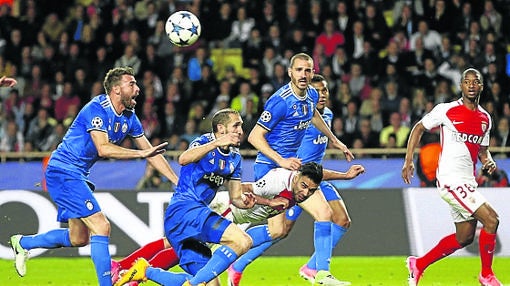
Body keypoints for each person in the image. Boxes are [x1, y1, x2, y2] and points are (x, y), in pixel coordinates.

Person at [9, 67, 179, 286]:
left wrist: (177, 181)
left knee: (78, 238)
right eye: (132, 84)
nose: (138, 89)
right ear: (117, 90)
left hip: (77, 174)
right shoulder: (96, 109)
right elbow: (103, 148)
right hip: (63, 170)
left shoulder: (130, 117)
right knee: (101, 226)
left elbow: (151, 153)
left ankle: (23, 243)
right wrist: (141, 153)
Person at [114, 161, 363, 286]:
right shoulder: (278, 181)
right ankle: (135, 272)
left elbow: (317, 175)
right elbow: (244, 189)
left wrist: (344, 175)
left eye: (311, 190)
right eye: (304, 187)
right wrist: (268, 201)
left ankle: (134, 271)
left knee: (182, 250)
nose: (306, 193)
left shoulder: (303, 184)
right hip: (228, 213)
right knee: (182, 252)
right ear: (296, 178)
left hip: (240, 222)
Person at [228, 74, 364, 286]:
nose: (321, 95)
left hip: (315, 178)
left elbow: (318, 136)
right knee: (279, 230)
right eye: (317, 91)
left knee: (340, 219)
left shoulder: (325, 115)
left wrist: (337, 142)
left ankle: (315, 269)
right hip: (295, 179)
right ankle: (236, 260)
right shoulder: (298, 119)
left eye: (325, 90)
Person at [115, 108, 257, 286]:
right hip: (185, 210)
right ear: (221, 128)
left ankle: (145, 270)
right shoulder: (204, 141)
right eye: (236, 126)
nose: (240, 131)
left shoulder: (235, 159)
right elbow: (183, 159)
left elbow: (235, 197)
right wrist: (217, 143)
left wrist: (245, 202)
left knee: (207, 284)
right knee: (243, 240)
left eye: (241, 126)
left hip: (189, 221)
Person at [402, 68, 503, 286]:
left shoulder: (485, 118)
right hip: (450, 180)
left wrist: (488, 160)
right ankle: (487, 274)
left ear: (481, 86)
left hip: (467, 182)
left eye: (475, 82)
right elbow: (419, 128)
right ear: (461, 86)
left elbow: (482, 150)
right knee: (491, 219)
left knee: (465, 237)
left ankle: (418, 264)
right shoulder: (446, 110)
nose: (471, 85)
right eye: (467, 82)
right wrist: (409, 160)